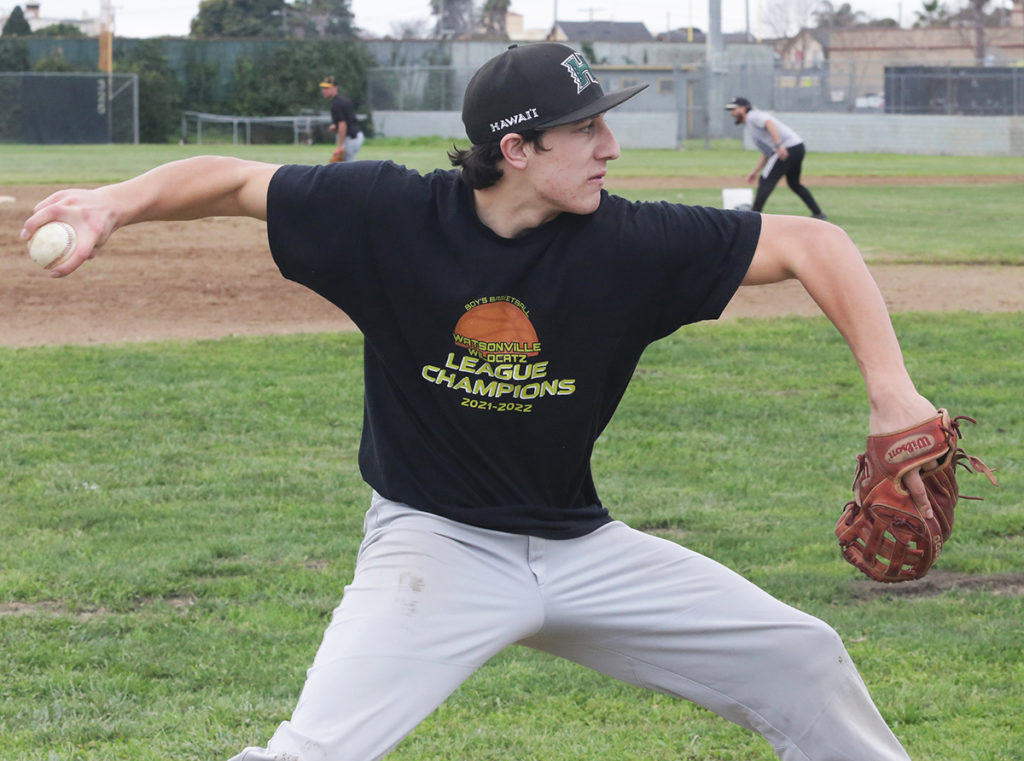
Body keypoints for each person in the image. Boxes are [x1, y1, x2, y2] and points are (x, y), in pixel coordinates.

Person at [23, 42, 938, 761]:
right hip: (435, 546)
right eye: (586, 130)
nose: (611, 148)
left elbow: (819, 246)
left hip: (586, 553)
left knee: (803, 657)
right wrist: (113, 201)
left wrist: (891, 394)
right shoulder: (389, 216)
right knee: (312, 752)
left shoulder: (631, 242)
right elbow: (232, 182)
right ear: (516, 149)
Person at [726, 96, 827, 220]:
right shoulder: (750, 124)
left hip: (787, 148)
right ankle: (818, 213)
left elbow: (769, 123)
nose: (732, 113)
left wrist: (779, 145)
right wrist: (755, 171)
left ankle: (753, 214)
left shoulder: (753, 115)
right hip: (797, 147)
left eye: (734, 109)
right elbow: (767, 153)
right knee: (794, 184)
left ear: (743, 108)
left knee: (766, 180)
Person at [319, 74, 364, 163]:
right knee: (345, 166)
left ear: (335, 88)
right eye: (323, 88)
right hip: (354, 136)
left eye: (327, 88)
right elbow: (346, 120)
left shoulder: (337, 104)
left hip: (351, 138)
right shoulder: (341, 100)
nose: (324, 90)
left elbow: (342, 124)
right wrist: (334, 125)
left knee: (346, 167)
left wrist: (340, 147)